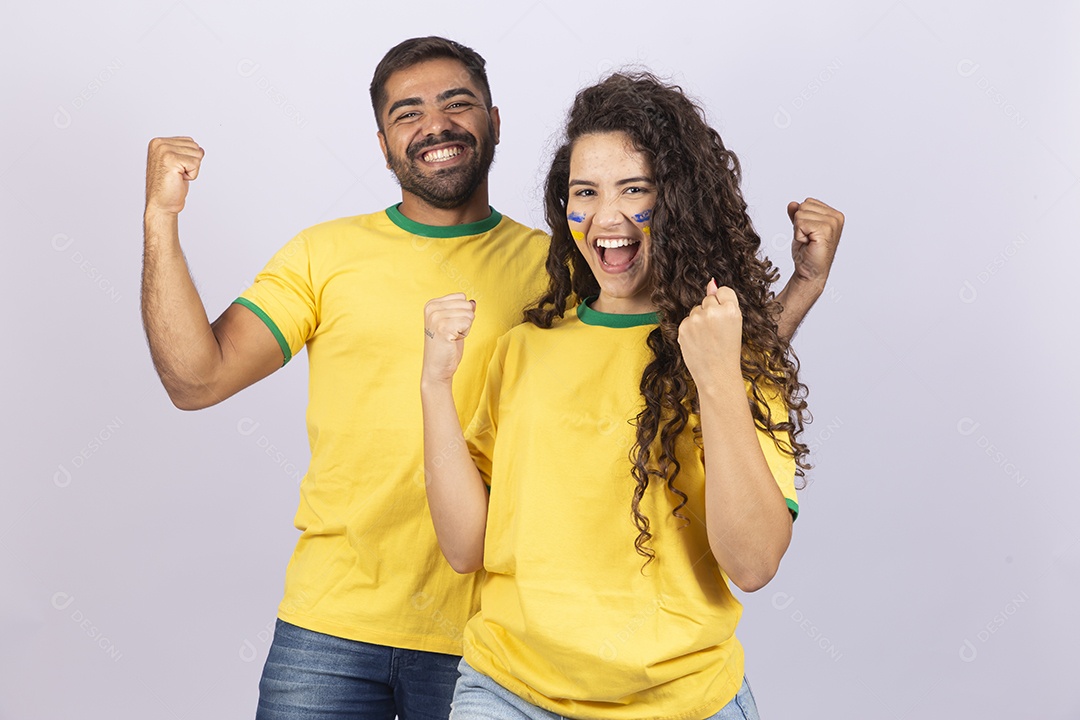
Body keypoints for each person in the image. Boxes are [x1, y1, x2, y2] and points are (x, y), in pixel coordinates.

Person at [141, 35, 842, 719]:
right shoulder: (326, 256)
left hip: (481, 638)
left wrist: (795, 298)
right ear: (382, 140)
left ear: (495, 121)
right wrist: (161, 219)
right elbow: (195, 380)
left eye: (456, 102)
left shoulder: (565, 269)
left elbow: (676, 366)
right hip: (338, 624)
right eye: (406, 113)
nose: (434, 124)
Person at [422, 71, 828, 719]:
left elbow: (753, 563)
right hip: (510, 692)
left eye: (634, 189)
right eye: (585, 192)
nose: (606, 218)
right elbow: (466, 547)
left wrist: (719, 375)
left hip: (682, 701)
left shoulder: (730, 351)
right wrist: (434, 385)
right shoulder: (524, 350)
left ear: (679, 200)